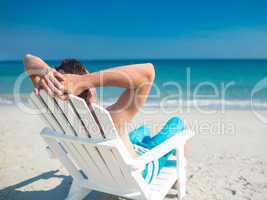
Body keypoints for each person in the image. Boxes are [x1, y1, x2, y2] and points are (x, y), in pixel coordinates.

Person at [24, 54, 186, 183]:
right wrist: (83, 81)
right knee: (177, 124)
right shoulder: (114, 118)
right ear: (90, 89)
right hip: (137, 174)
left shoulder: (59, 115)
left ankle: (145, 143)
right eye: (90, 76)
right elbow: (148, 72)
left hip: (97, 173)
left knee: (144, 130)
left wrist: (48, 74)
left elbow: (28, 59)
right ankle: (181, 174)